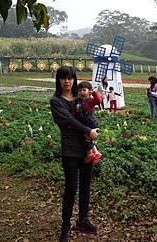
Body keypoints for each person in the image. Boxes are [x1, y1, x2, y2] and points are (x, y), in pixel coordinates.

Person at [50, 66, 99, 242]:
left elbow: (91, 113)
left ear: (74, 80)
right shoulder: (56, 101)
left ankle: (83, 220)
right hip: (70, 150)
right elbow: (67, 121)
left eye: (70, 78)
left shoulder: (81, 97)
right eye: (63, 78)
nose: (67, 81)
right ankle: (65, 226)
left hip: (86, 149)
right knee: (71, 189)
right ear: (59, 80)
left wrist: (91, 131)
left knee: (85, 188)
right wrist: (88, 130)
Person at [74, 81, 103, 164]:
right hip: (84, 124)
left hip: (90, 124)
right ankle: (96, 153)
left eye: (84, 90)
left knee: (87, 138)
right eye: (79, 90)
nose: (81, 92)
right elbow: (75, 112)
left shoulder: (90, 101)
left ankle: (90, 153)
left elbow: (98, 100)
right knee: (86, 139)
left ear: (89, 91)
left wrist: (93, 92)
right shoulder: (78, 101)